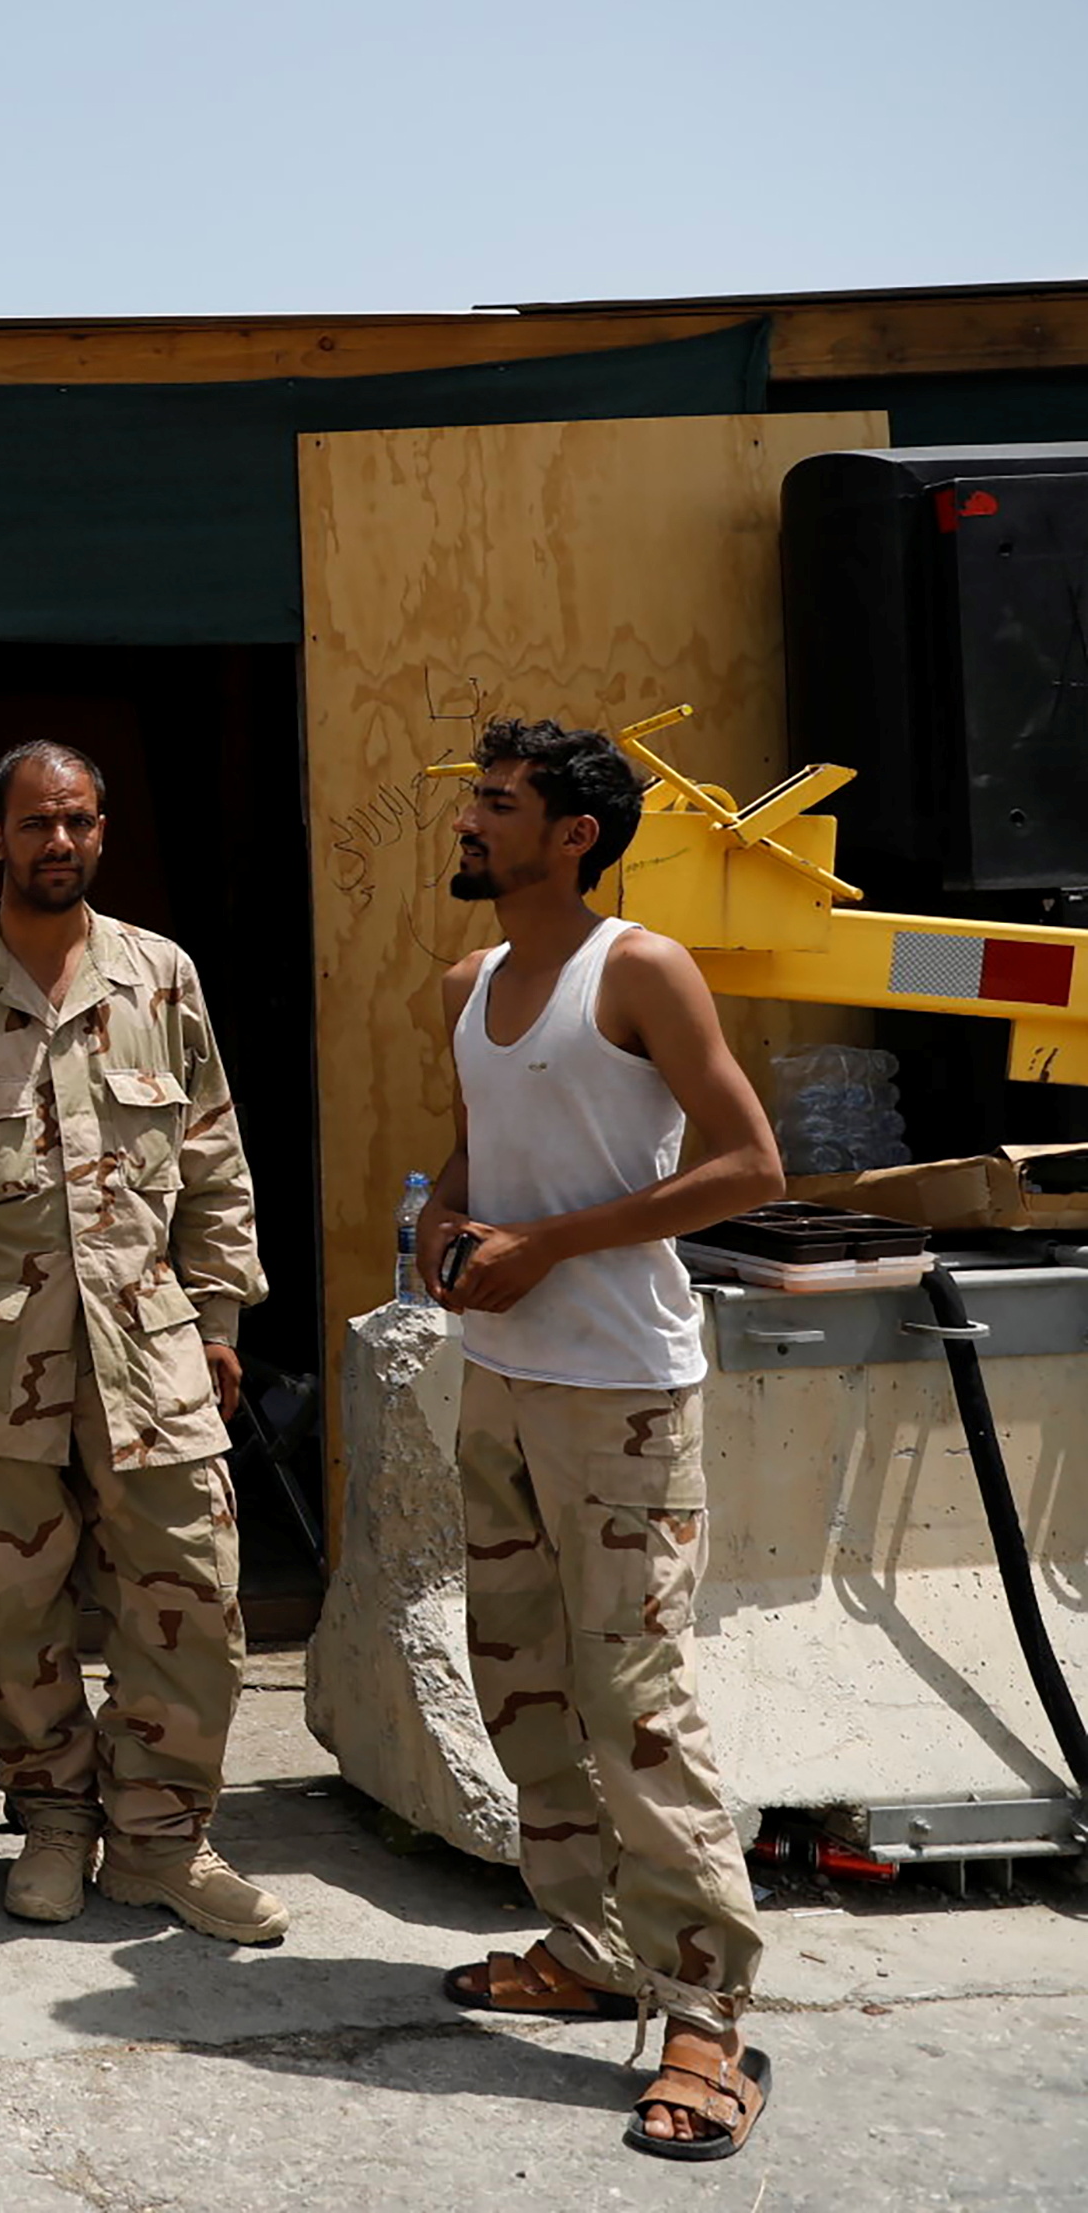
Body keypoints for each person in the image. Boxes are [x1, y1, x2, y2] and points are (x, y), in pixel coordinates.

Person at [417, 718, 781, 2162]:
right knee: (522, 1681)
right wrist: (445, 1220)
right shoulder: (468, 981)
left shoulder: (638, 968)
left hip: (621, 1391)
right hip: (497, 1378)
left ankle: (707, 2016)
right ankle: (592, 1948)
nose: (469, 822)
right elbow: (474, 1151)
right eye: (473, 800)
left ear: (573, 835)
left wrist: (550, 1245)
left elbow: (748, 1163)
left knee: (636, 1700)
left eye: (496, 804)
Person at [0, 741, 283, 1943]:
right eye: (36, 822)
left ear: (101, 830)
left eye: (79, 820)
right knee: (9, 1613)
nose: (59, 841)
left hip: (150, 1351)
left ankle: (161, 1839)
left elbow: (211, 1157)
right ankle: (52, 1820)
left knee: (189, 1598)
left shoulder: (159, 976)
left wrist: (216, 1317)